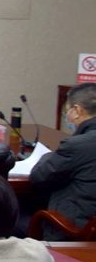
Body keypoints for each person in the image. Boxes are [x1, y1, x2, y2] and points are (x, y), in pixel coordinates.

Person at [30, 82, 96, 240]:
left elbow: (39, 177)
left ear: (77, 111)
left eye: (67, 111)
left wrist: (47, 156)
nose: (67, 116)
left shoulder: (77, 145)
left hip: (74, 231)